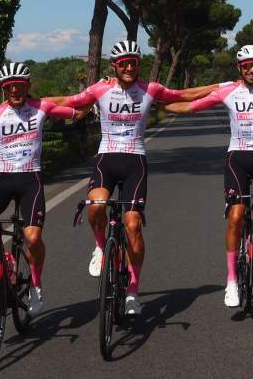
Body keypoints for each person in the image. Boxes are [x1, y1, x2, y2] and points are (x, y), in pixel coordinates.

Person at [48, 40, 216, 316]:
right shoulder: (101, 88)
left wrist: (217, 88)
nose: (128, 67)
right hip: (107, 159)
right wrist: (32, 102)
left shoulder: (151, 89)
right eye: (123, 63)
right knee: (96, 205)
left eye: (133, 62)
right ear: (114, 65)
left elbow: (184, 95)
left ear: (139, 64)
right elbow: (69, 102)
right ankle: (101, 248)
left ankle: (133, 292)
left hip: (135, 160)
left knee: (133, 224)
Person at [164, 44, 253, 307]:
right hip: (236, 157)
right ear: (240, 68)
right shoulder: (228, 91)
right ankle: (231, 282)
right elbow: (191, 106)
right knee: (236, 215)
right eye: (247, 65)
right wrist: (157, 105)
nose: (252, 69)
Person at [0, 63, 87, 314]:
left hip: (31, 178)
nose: (15, 91)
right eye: (10, 87)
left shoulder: (42, 107)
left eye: (20, 86)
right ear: (4, 90)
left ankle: (36, 285)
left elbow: (77, 112)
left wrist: (96, 96)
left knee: (32, 238)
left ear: (28, 86)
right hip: (3, 178)